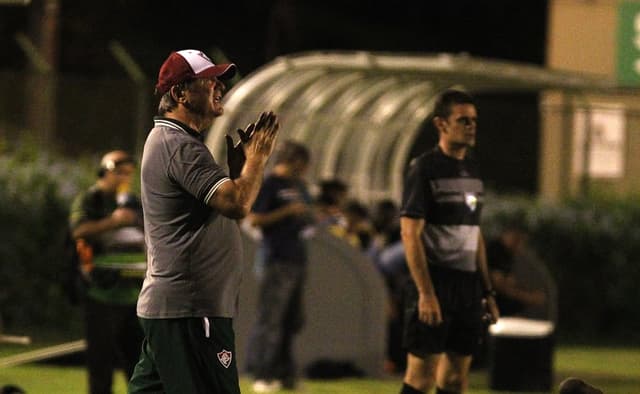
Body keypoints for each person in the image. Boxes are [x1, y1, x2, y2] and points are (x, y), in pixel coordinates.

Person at [128, 49, 279, 394]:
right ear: (180, 93)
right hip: (190, 311)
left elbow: (215, 218)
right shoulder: (180, 146)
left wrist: (239, 173)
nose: (219, 86)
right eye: (208, 80)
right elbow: (237, 204)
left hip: (179, 309)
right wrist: (256, 161)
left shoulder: (176, 142)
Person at [398, 89, 499, 394]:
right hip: (435, 283)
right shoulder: (424, 168)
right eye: (463, 120)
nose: (471, 126)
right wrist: (426, 293)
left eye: (474, 120)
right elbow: (409, 234)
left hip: (467, 287)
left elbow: (474, 233)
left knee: (456, 379)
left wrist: (487, 290)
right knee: (421, 376)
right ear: (440, 124)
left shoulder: (473, 168)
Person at [69, 150, 145, 394]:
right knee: (101, 367)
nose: (125, 179)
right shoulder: (92, 199)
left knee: (139, 367)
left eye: (129, 174)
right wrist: (114, 221)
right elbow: (79, 231)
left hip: (133, 295)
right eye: (120, 173)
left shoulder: (133, 201)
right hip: (101, 293)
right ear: (107, 171)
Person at [245, 140, 312, 392]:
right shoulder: (270, 184)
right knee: (270, 319)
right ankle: (262, 374)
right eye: (303, 164)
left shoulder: (297, 186)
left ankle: (285, 375)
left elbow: (307, 216)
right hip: (275, 258)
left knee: (291, 320)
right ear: (294, 160)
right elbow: (254, 220)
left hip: (297, 258)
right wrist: (286, 212)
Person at [486, 223, 546, 317]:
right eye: (520, 241)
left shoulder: (508, 254)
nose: (521, 247)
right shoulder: (496, 250)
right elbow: (498, 285)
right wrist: (527, 297)